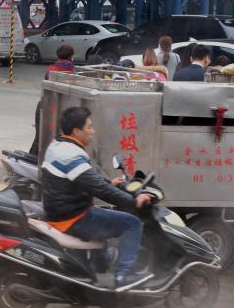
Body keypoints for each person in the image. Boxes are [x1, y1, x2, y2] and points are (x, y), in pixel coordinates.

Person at [41, 107, 152, 287]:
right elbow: (100, 190)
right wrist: (133, 201)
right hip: (72, 217)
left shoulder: (58, 145)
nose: (93, 131)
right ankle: (124, 275)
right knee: (132, 223)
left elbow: (85, 179)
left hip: (61, 211)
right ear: (76, 131)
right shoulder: (71, 155)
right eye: (89, 127)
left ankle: (99, 270)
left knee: (104, 223)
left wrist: (109, 182)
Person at [29, 45, 76, 155]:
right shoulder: (74, 71)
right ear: (71, 56)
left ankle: (33, 157)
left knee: (40, 136)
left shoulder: (50, 69)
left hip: (46, 105)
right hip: (66, 108)